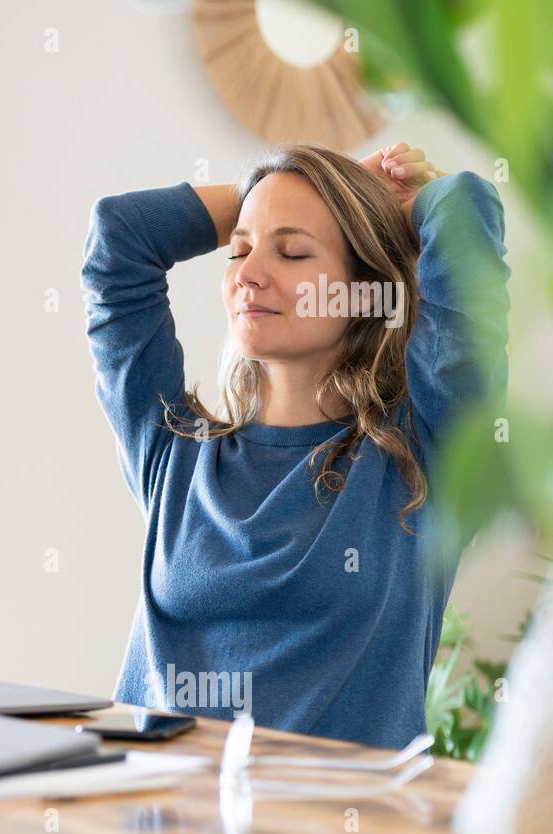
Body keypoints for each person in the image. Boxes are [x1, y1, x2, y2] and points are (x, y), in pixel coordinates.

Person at [79, 143, 510, 747]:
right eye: (240, 248)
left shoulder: (423, 454)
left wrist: (349, 196)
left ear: (364, 289)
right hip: (154, 815)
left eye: (293, 251)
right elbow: (118, 235)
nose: (249, 273)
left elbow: (465, 209)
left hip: (336, 833)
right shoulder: (171, 448)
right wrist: (297, 183)